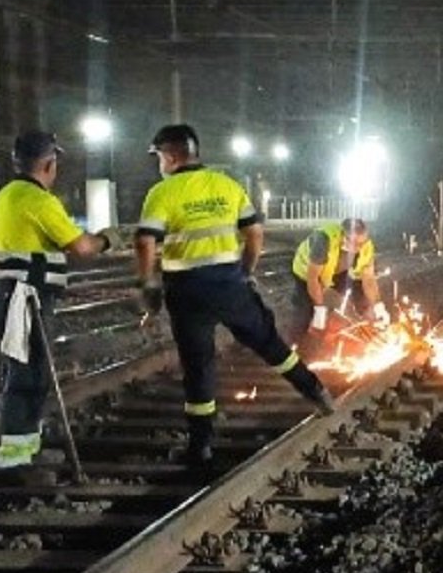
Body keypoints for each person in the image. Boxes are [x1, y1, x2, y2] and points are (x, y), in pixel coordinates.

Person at [134, 123, 336, 464]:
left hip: (186, 291)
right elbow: (255, 232)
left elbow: (144, 240)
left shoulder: (162, 193)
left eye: (159, 158)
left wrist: (148, 283)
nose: (159, 165)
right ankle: (316, 392)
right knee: (270, 344)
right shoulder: (226, 185)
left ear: (169, 157)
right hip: (229, 284)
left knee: (198, 366)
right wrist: (246, 270)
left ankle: (201, 446)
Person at [0, 129, 109, 470]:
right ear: (49, 164)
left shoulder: (5, 196)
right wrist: (106, 240)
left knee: (29, 369)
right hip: (25, 296)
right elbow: (81, 247)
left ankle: (25, 447)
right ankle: (14, 457)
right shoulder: (39, 200)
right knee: (28, 372)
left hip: (13, 292)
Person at [291, 216, 389, 337]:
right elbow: (313, 279)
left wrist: (378, 306)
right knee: (305, 311)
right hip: (306, 273)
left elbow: (368, 280)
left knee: (360, 293)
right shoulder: (324, 240)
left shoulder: (366, 246)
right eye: (355, 243)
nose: (359, 248)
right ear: (343, 236)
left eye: (361, 243)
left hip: (337, 270)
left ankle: (368, 326)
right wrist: (319, 309)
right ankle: (299, 342)